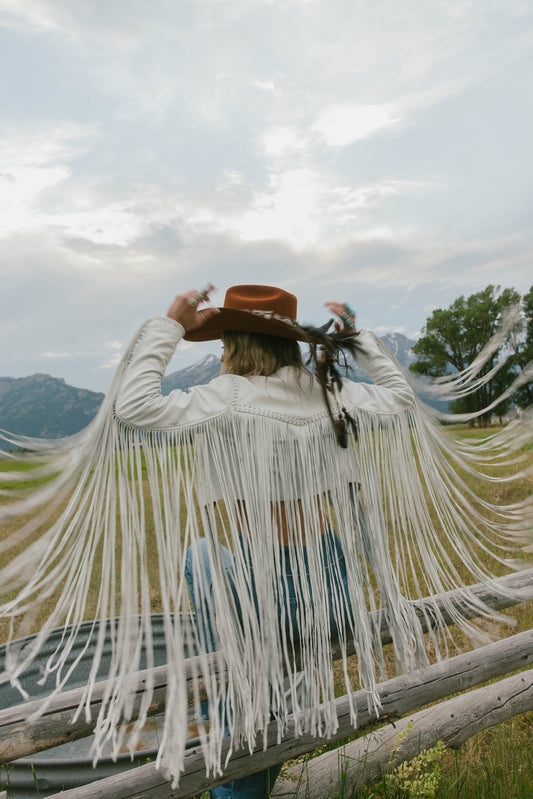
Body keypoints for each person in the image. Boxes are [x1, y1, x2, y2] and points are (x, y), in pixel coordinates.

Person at [1, 283, 531, 795]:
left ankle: (231, 715)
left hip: (270, 600)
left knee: (204, 562)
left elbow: (132, 407)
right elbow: (399, 399)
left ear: (237, 344)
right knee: (254, 680)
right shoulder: (332, 393)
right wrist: (358, 338)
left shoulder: (228, 396)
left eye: (228, 340)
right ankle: (246, 706)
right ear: (288, 344)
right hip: (334, 592)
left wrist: (169, 325)